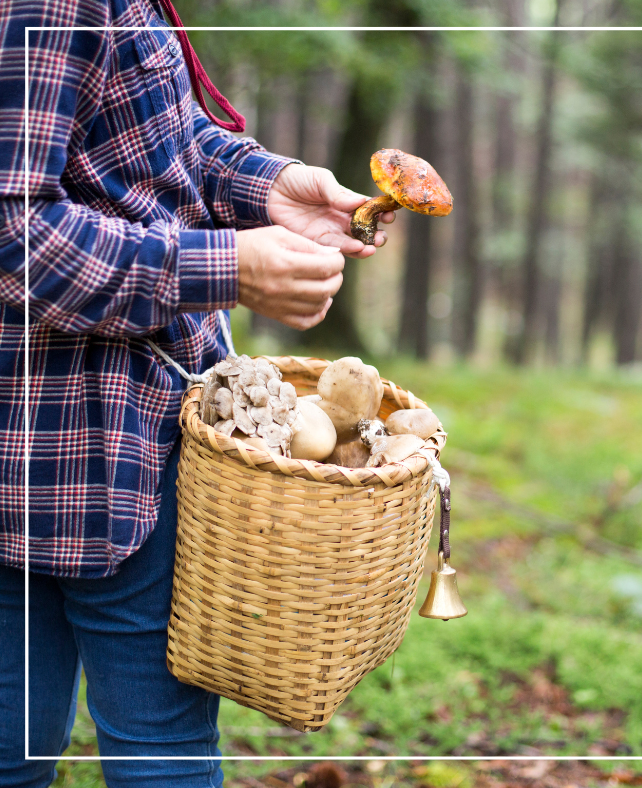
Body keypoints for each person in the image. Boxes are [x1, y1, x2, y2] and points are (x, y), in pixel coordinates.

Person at [0, 1, 394, 784]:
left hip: (87, 432)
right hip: (109, 447)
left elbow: (144, 143)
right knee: (155, 752)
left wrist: (271, 184)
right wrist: (225, 267)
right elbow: (17, 234)